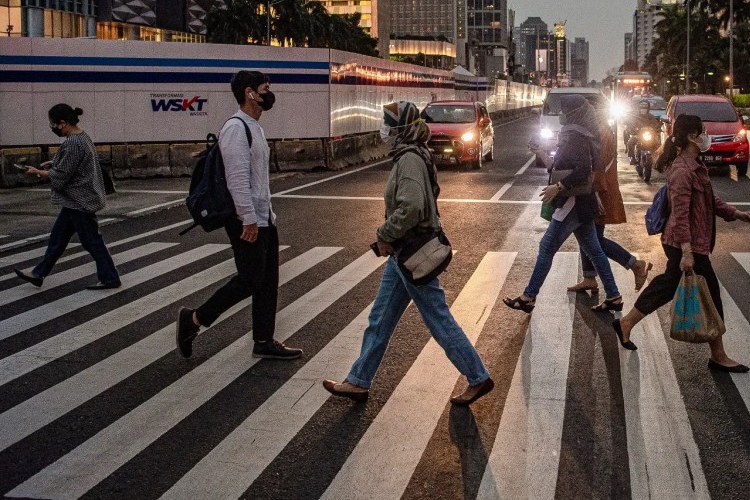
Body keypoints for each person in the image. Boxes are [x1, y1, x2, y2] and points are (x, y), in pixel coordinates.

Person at [324, 101, 493, 405]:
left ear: (400, 129)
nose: (384, 130)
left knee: (438, 319)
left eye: (388, 124)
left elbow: (412, 206)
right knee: (381, 318)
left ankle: (478, 376)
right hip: (403, 255)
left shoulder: (410, 159)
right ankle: (359, 380)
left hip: (412, 252)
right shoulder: (410, 154)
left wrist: (384, 234)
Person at [613, 114, 750, 372]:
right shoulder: (682, 170)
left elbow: (709, 201)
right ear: (692, 136)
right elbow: (680, 215)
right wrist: (687, 252)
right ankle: (719, 355)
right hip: (684, 243)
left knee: (667, 286)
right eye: (702, 132)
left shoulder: (695, 165)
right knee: (711, 294)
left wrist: (735, 214)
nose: (706, 136)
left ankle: (626, 324)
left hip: (689, 241)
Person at [175, 71, 302, 361]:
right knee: (249, 279)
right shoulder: (235, 128)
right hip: (246, 219)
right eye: (265, 89)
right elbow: (236, 179)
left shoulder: (254, 126)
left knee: (267, 281)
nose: (269, 94)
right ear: (249, 93)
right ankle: (194, 319)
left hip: (262, 217)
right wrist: (248, 218)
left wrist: (264, 216)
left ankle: (264, 339)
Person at [505, 94, 623, 313]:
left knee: (547, 246)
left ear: (574, 113)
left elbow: (581, 171)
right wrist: (540, 152)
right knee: (594, 250)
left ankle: (529, 296)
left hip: (573, 201)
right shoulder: (573, 134)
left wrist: (557, 188)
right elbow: (558, 168)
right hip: (580, 202)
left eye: (564, 110)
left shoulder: (577, 136)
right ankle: (614, 295)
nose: (560, 114)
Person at [14, 104, 121, 290]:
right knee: (58, 239)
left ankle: (110, 278)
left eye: (53, 124)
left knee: (91, 241)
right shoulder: (82, 136)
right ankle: (38, 274)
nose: (53, 127)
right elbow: (73, 163)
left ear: (63, 123)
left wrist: (37, 172)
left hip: (79, 200)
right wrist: (54, 162)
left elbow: (61, 176)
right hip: (77, 200)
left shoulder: (72, 142)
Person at [567, 121, 653, 294]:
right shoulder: (596, 129)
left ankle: (635, 264)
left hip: (599, 190)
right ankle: (589, 277)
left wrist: (595, 192)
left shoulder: (601, 132)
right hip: (594, 189)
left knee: (593, 239)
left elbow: (599, 166)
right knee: (587, 234)